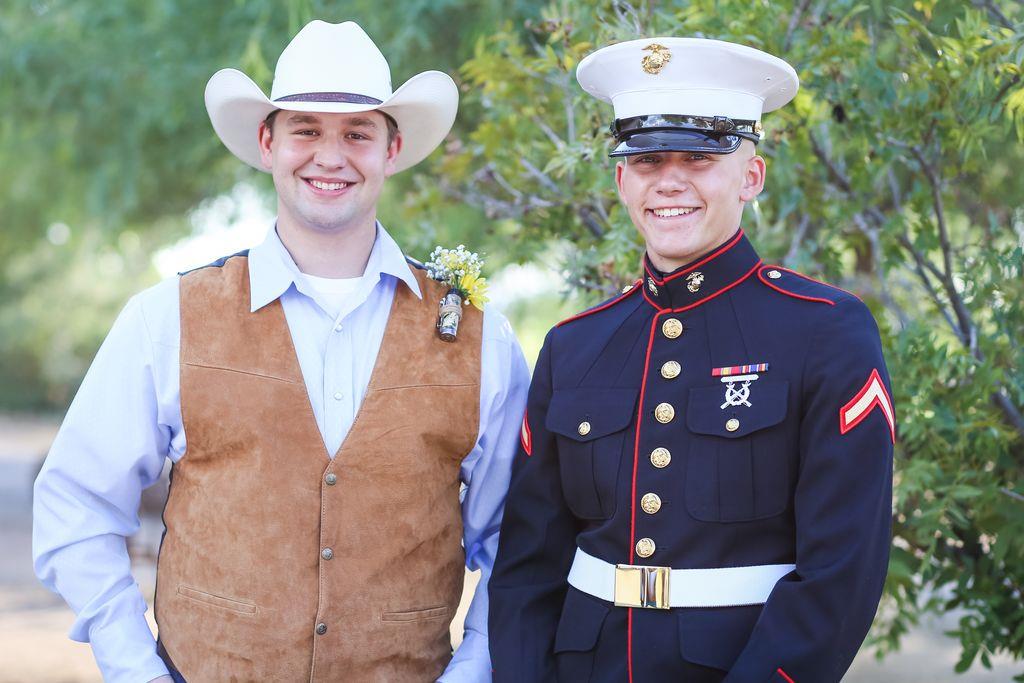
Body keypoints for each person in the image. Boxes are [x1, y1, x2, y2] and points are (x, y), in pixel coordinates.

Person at [33, 20, 529, 683]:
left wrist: (471, 671)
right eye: (306, 130)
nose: (331, 155)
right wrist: (137, 671)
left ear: (392, 147)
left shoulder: (476, 336)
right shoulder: (169, 317)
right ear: (267, 143)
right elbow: (76, 504)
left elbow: (520, 542)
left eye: (357, 132)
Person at [488, 37, 894, 683]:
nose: (669, 180)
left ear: (751, 176)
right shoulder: (575, 344)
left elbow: (842, 567)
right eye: (647, 159)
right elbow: (527, 564)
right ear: (621, 178)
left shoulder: (823, 329)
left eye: (700, 157)